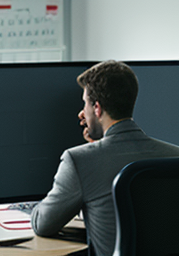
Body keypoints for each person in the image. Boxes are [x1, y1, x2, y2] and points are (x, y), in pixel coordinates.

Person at [31, 60, 179, 256]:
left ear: (98, 108)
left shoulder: (78, 160)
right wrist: (97, 149)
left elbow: (43, 223)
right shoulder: (174, 156)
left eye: (85, 103)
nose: (82, 112)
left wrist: (91, 154)